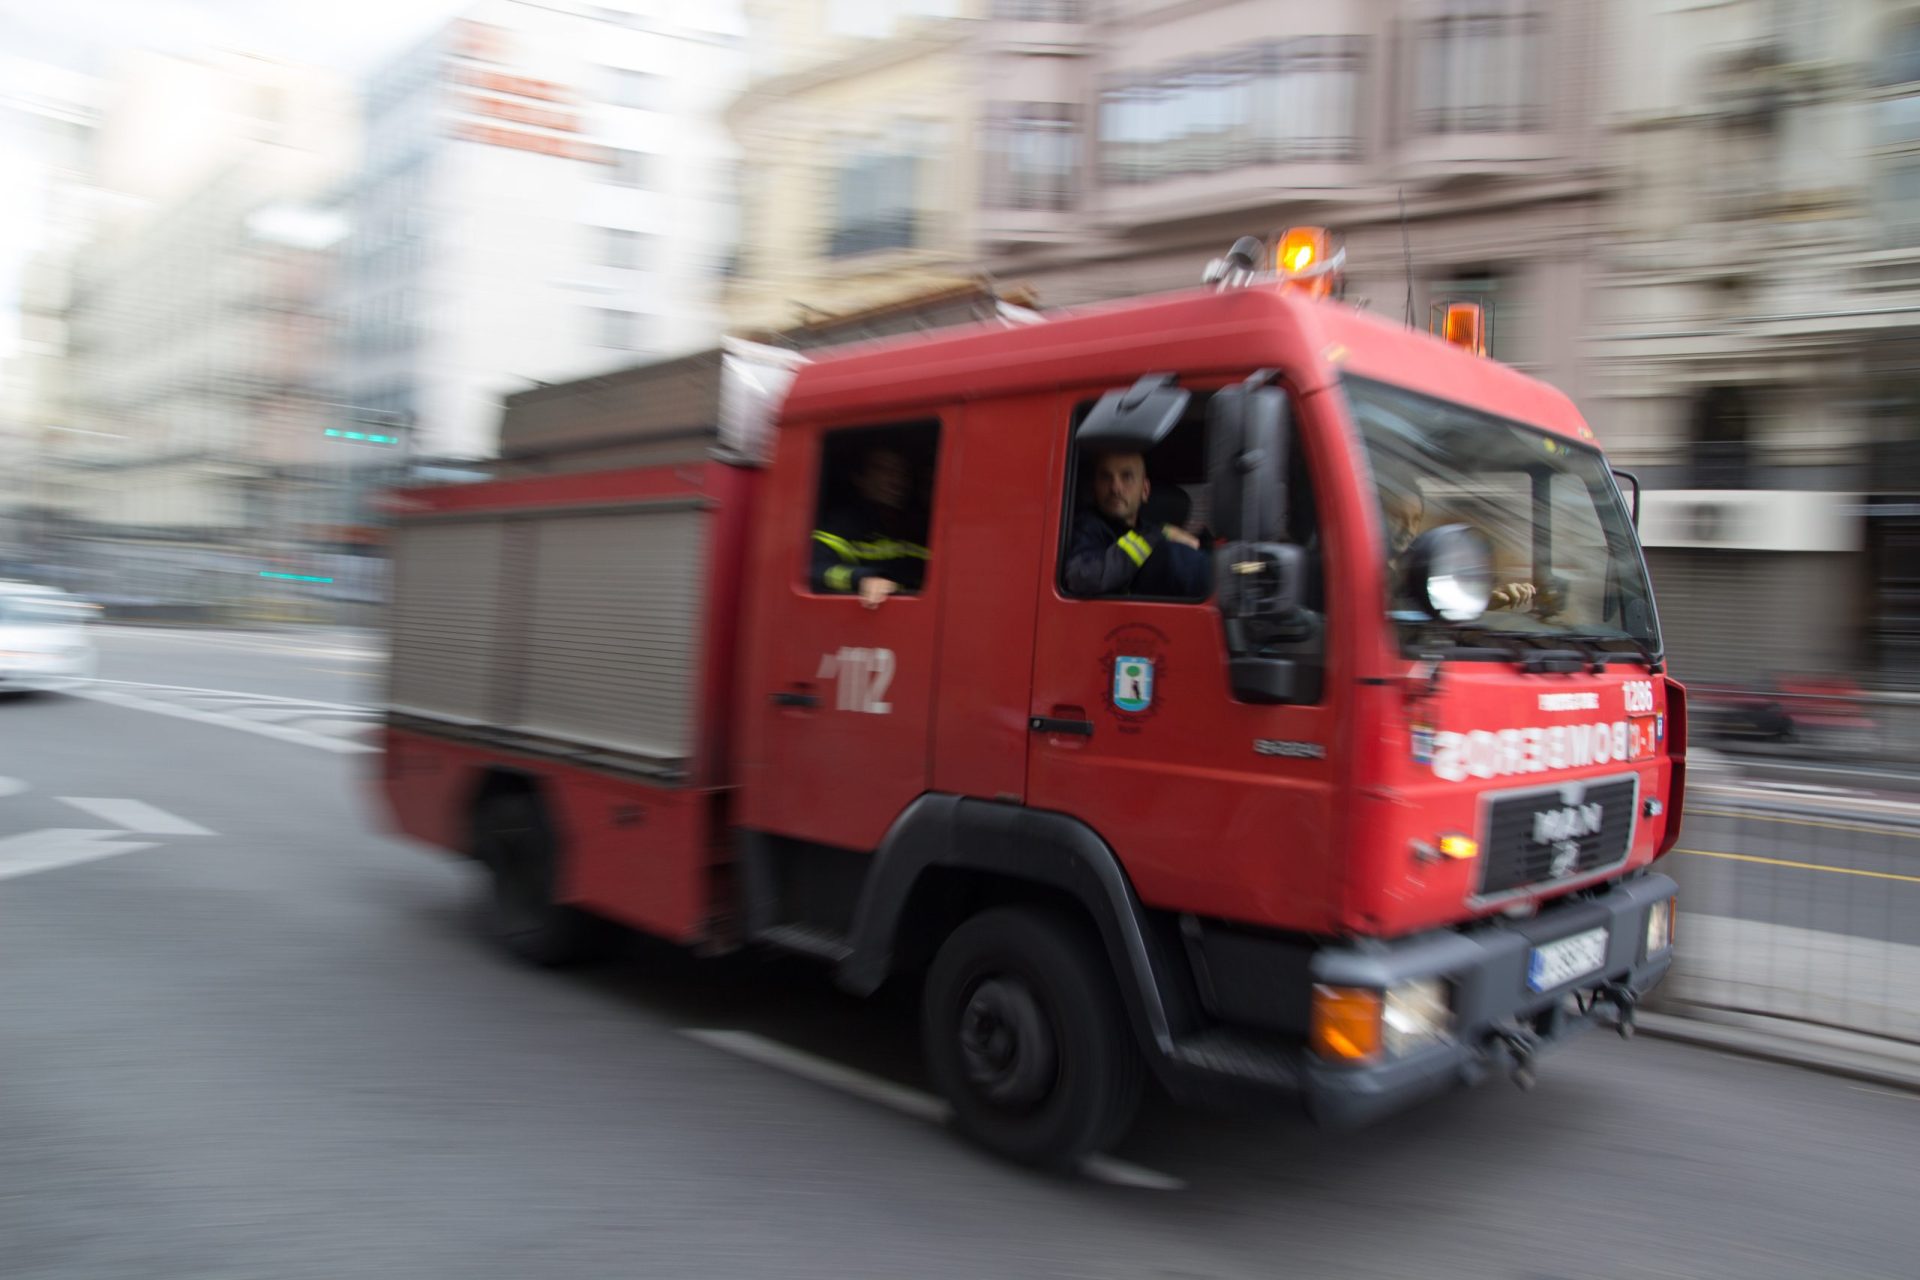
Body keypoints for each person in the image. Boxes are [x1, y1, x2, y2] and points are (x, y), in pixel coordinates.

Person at [1379, 470, 1538, 612]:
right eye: (1398, 518)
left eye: (1415, 520)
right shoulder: (1365, 571)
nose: (1408, 529)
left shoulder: (1417, 568)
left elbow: (1429, 601)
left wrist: (1486, 599)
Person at [1064, 450, 1209, 598]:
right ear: (1095, 488)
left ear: (1145, 490)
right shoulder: (1088, 526)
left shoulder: (1146, 529)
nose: (1115, 488)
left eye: (1127, 477)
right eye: (1105, 477)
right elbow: (1083, 577)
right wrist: (1160, 535)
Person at [811, 446, 929, 609]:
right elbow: (814, 570)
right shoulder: (842, 524)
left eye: (902, 473)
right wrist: (863, 579)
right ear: (860, 479)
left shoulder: (920, 527)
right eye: (883, 470)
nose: (896, 480)